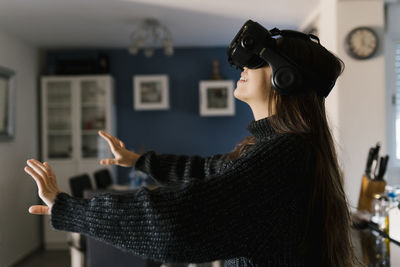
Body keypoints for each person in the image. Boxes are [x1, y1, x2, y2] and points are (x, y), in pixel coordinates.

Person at [24, 22, 359, 267]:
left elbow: (174, 222)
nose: (242, 67)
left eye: (258, 61)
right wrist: (141, 161)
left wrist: (67, 208)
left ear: (284, 78)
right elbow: (207, 169)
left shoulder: (284, 155)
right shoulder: (281, 147)